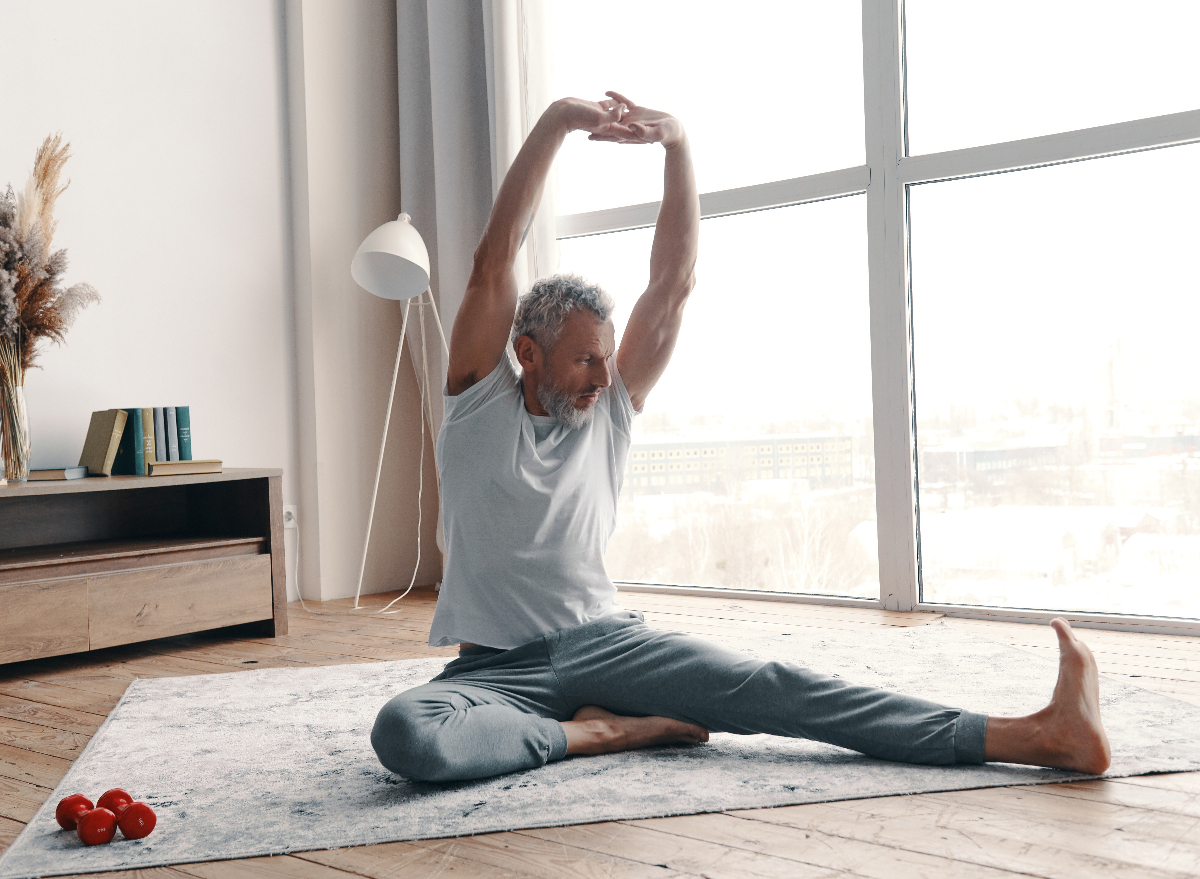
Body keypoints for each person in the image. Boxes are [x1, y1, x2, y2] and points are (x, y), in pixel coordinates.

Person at [370, 92, 1111, 783]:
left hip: (609, 642)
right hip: (498, 670)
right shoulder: (478, 405)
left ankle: (1038, 735)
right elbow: (492, 259)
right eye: (585, 357)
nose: (605, 373)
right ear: (527, 354)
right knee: (406, 731)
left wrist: (677, 145)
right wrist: (561, 120)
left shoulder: (610, 410)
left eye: (607, 354)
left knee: (776, 689)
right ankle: (600, 732)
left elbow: (674, 282)